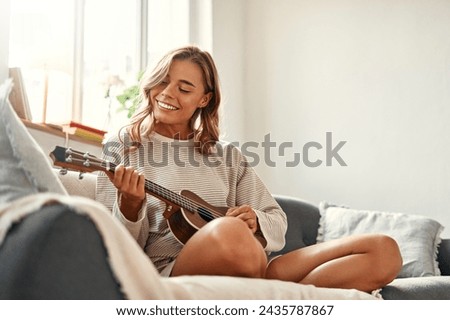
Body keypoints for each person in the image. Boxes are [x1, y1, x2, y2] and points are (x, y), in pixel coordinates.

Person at [96, 45, 402, 293]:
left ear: (204, 99)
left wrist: (255, 220)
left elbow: (276, 221)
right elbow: (113, 249)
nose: (167, 92)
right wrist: (130, 206)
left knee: (384, 250)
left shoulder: (226, 155)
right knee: (230, 232)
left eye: (184, 88)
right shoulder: (123, 145)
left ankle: (269, 297)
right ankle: (270, 291)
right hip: (172, 269)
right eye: (162, 80)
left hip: (257, 264)